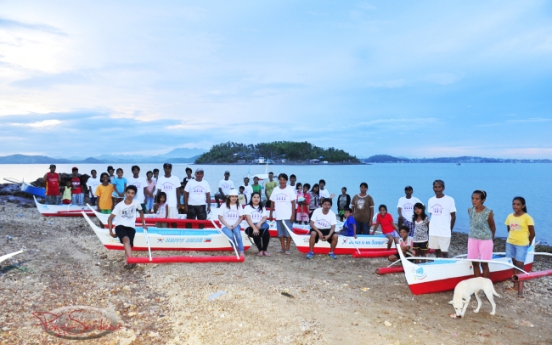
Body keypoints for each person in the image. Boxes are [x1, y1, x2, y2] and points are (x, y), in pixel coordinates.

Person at [107, 185, 147, 269]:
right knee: (126, 239)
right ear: (125, 193)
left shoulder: (136, 203)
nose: (130, 195)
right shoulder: (119, 205)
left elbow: (141, 212)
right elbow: (110, 218)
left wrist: (144, 224)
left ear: (135, 195)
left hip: (131, 226)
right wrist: (111, 231)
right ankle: (131, 260)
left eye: (132, 193)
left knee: (128, 244)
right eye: (128, 192)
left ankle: (127, 262)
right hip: (120, 225)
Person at [505, 196, 535, 299]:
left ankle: (520, 292)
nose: (515, 206)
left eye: (518, 204)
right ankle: (515, 286)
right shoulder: (510, 216)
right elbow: (509, 229)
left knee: (520, 267)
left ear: (523, 206)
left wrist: (528, 244)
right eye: (514, 204)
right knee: (514, 266)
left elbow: (532, 233)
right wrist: (513, 239)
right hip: (510, 243)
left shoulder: (527, 217)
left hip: (522, 245)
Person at [468, 190, 496, 278]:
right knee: (474, 263)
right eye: (472, 198)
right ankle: (477, 286)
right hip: (472, 239)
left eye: (477, 199)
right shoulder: (470, 210)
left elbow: (493, 227)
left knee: (484, 264)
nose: (474, 200)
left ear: (482, 200)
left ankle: (485, 285)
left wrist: (491, 240)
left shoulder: (488, 212)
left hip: (485, 240)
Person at [269, 173, 296, 255]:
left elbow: (293, 203)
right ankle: (282, 248)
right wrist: (271, 214)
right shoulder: (275, 189)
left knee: (288, 233)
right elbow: (272, 202)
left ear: (286, 181)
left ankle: (288, 248)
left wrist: (293, 215)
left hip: (288, 215)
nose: (282, 181)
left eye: (284, 180)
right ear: (279, 180)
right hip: (279, 215)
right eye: (280, 180)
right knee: (280, 233)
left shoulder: (290, 189)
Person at [428, 179, 456, 258]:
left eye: (439, 187)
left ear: (443, 188)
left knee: (444, 251)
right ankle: (438, 265)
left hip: (444, 231)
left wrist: (450, 229)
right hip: (434, 230)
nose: (437, 189)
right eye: (435, 187)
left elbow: (453, 216)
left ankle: (447, 266)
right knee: (437, 251)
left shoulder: (449, 200)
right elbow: (432, 215)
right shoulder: (431, 200)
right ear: (433, 188)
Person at [218, 189, 245, 256]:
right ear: (229, 197)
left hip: (236, 225)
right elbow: (220, 217)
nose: (234, 198)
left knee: (237, 234)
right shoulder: (224, 205)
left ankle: (241, 250)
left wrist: (235, 225)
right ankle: (235, 247)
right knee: (230, 235)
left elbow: (241, 217)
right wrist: (228, 226)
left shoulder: (239, 205)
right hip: (225, 226)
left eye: (235, 196)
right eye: (232, 196)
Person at [244, 192, 270, 256]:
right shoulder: (247, 207)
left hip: (260, 225)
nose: (256, 199)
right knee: (255, 233)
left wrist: (259, 223)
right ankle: (260, 250)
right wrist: (254, 228)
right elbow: (248, 219)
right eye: (254, 197)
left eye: (258, 197)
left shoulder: (262, 207)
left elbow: (264, 217)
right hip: (250, 226)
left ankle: (265, 250)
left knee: (266, 233)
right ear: (251, 198)